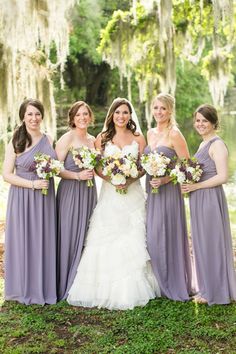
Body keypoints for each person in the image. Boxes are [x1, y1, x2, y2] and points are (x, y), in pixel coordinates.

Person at [67, 97, 160, 310]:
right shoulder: (102, 138)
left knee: (133, 234)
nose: (121, 116)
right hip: (110, 193)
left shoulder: (138, 137)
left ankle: (136, 285)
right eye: (118, 112)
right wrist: (112, 180)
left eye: (125, 112)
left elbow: (144, 165)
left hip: (133, 193)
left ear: (130, 115)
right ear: (112, 115)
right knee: (105, 236)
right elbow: (97, 166)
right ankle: (102, 288)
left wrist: (129, 179)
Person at [3, 98, 57, 305]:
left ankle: (43, 286)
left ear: (42, 116)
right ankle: (23, 287)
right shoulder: (16, 140)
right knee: (24, 240)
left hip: (45, 197)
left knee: (43, 239)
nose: (34, 118)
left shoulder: (48, 138)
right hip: (24, 196)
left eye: (37, 114)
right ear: (23, 117)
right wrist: (33, 185)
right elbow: (6, 175)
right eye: (29, 114)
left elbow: (55, 165)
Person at [181, 104, 236, 305]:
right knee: (202, 242)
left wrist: (196, 187)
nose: (200, 124)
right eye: (197, 120)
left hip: (210, 199)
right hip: (200, 198)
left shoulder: (217, 144)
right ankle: (206, 288)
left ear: (213, 123)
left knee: (212, 242)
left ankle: (216, 291)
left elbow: (223, 176)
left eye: (205, 120)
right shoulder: (203, 144)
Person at [145, 93, 192, 301]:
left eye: (163, 108)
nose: (159, 112)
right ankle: (158, 282)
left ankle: (173, 282)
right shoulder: (150, 133)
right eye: (156, 108)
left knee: (168, 233)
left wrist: (165, 180)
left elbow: (187, 166)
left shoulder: (175, 134)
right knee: (153, 234)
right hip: (152, 191)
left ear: (170, 110)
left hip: (169, 190)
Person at [56, 101, 97, 301]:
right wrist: (77, 176)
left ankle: (84, 285)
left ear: (90, 117)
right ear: (72, 118)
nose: (82, 118)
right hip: (71, 192)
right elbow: (55, 169)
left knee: (88, 233)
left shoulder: (93, 140)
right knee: (70, 233)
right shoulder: (67, 138)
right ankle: (65, 281)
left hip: (89, 193)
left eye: (85, 114)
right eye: (78, 115)